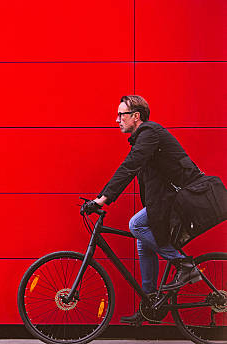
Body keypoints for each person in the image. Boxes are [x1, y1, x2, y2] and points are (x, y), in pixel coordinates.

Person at [81, 95, 203, 325]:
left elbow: (129, 167)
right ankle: (151, 303)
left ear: (136, 116)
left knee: (136, 225)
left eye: (121, 114)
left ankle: (184, 264)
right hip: (171, 199)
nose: (116, 119)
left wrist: (101, 200)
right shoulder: (143, 139)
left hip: (185, 197)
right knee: (141, 239)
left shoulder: (150, 133)